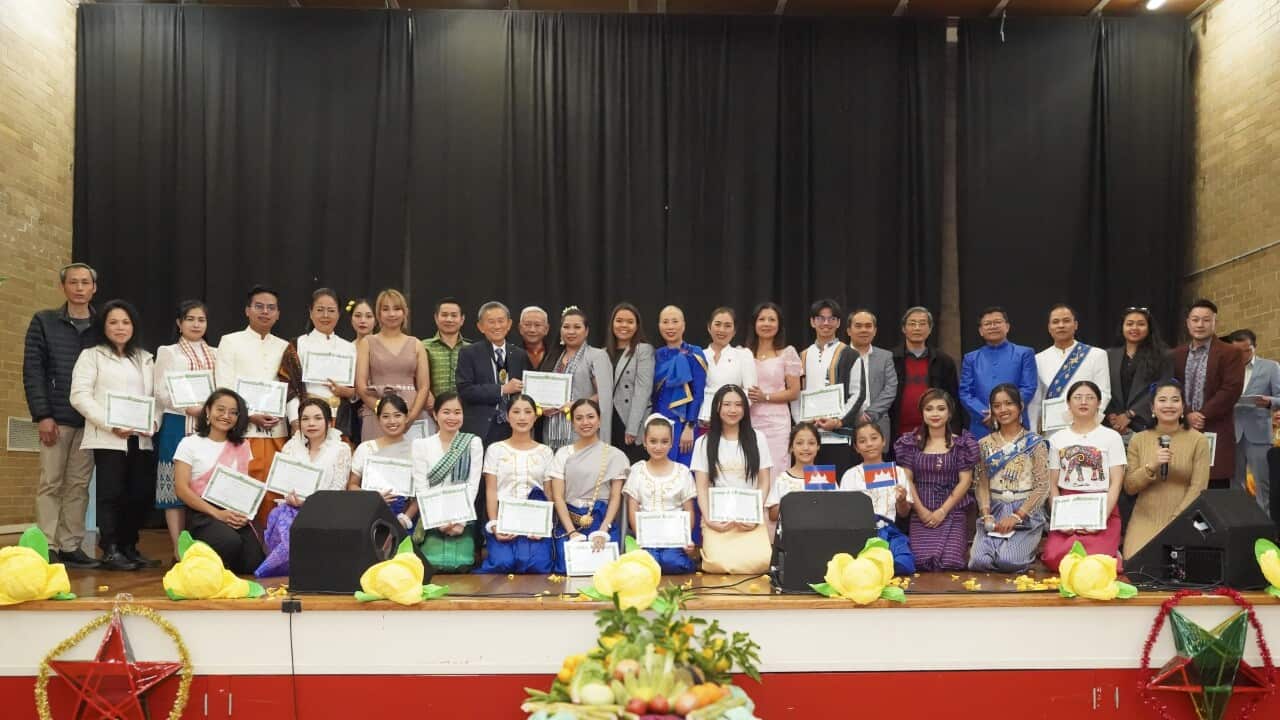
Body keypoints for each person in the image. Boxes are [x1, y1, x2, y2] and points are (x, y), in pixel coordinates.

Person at [22, 262, 101, 568]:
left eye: (85, 283)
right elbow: (33, 370)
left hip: (91, 421)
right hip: (55, 417)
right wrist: (42, 414)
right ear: (63, 287)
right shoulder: (44, 321)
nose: (80, 288)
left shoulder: (102, 325)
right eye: (73, 282)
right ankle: (47, 544)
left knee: (79, 485)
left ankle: (71, 545)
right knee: (51, 482)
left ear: (94, 288)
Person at [69, 299, 157, 571]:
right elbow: (79, 396)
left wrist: (152, 422)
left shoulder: (145, 358)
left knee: (139, 493)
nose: (120, 328)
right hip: (109, 437)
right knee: (112, 493)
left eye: (126, 322)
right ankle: (111, 548)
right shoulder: (92, 355)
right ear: (103, 326)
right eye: (113, 322)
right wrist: (110, 423)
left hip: (140, 437)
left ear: (134, 326)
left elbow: (157, 398)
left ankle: (130, 546)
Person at [214, 285, 290, 525]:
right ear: (248, 310)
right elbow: (224, 386)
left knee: (275, 488)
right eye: (259, 306)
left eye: (271, 308)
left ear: (278, 314)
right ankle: (245, 545)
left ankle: (273, 545)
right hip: (243, 429)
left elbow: (290, 387)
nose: (265, 312)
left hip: (277, 430)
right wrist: (250, 415)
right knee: (242, 487)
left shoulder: (285, 346)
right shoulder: (230, 341)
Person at [255, 397, 352, 577]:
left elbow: (338, 489)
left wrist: (308, 505)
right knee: (284, 523)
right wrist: (290, 498)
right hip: (292, 508)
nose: (311, 423)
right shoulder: (291, 447)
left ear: (328, 422)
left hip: (326, 510)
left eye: (317, 418)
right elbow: (283, 484)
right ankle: (289, 576)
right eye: (305, 419)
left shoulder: (341, 449)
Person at [152, 300, 218, 561]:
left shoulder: (216, 352)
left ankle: (207, 549)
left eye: (201, 319)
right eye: (190, 319)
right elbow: (160, 391)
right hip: (177, 423)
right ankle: (180, 552)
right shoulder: (168, 352)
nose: (196, 324)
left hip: (210, 428)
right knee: (174, 487)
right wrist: (187, 407)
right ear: (179, 323)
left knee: (206, 484)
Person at [173, 390, 264, 574]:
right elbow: (181, 489)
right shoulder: (189, 443)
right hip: (203, 513)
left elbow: (244, 488)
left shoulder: (242, 446)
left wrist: (241, 515)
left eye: (233, 412)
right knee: (229, 542)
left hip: (233, 512)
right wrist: (217, 513)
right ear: (208, 411)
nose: (226, 416)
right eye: (220, 409)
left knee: (254, 562)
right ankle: (197, 563)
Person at [1042, 381, 1127, 570]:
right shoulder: (1057, 439)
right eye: (1077, 397)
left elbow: (1116, 482)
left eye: (1090, 398)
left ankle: (1113, 552)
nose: (1083, 402)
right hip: (1068, 503)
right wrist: (1060, 520)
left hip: (1101, 504)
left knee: (1093, 562)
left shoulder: (1111, 437)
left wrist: (1101, 518)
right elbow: (1052, 484)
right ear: (1068, 403)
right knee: (1055, 559)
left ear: (1098, 403)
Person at [1123, 381, 1211, 558]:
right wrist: (1151, 466)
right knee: (1136, 567)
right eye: (1162, 400)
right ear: (1152, 408)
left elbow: (1199, 487)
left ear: (1183, 406)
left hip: (1184, 517)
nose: (1169, 405)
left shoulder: (1198, 440)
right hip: (1145, 517)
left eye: (1175, 400)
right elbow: (1130, 487)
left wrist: (1177, 518)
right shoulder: (1138, 439)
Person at [968, 384, 1049, 573]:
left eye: (1008, 403)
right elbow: (981, 482)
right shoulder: (984, 444)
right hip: (994, 510)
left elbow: (1042, 486)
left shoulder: (1035, 443)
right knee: (978, 562)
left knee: (1008, 561)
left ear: (1020, 406)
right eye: (997, 406)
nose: (1003, 409)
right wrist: (986, 512)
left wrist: (1017, 515)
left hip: (1024, 512)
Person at [692, 385, 773, 574]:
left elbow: (764, 481)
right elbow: (701, 486)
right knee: (717, 563)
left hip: (749, 519)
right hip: (718, 518)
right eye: (727, 404)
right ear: (717, 408)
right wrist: (709, 519)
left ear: (745, 409)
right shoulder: (703, 442)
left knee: (761, 562)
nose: (732, 410)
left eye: (738, 405)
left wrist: (755, 515)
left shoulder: (757, 438)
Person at [894, 389, 977, 571]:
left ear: (949, 413)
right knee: (920, 562)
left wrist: (942, 511)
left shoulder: (963, 444)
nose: (935, 414)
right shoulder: (910, 443)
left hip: (952, 510)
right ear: (922, 413)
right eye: (929, 409)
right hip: (920, 508)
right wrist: (921, 510)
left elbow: (965, 481)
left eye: (941, 409)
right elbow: (907, 479)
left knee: (951, 562)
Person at [547, 399, 630, 573]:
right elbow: (558, 497)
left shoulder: (615, 455)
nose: (585, 422)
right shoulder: (563, 454)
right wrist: (571, 532)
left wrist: (603, 529)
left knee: (605, 569)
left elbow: (615, 497)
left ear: (599, 420)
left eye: (590, 417)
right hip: (568, 521)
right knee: (565, 567)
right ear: (572, 423)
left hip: (601, 519)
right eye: (579, 418)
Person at [476, 394, 555, 574]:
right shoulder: (495, 450)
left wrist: (544, 525)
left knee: (538, 565)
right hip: (504, 519)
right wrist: (495, 524)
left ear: (535, 417)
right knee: (503, 563)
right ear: (508, 416)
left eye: (528, 412)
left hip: (535, 523)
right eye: (516, 412)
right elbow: (491, 490)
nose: (522, 417)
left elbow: (549, 492)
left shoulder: (545, 452)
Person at [1171, 299, 1245, 487]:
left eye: (1206, 320)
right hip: (1181, 429)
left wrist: (1201, 415)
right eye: (1195, 320)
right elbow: (1172, 387)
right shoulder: (1176, 355)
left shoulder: (1231, 353)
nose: (1200, 324)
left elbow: (1231, 389)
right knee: (1180, 485)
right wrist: (1186, 414)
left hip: (1215, 429)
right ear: (1188, 323)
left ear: (1215, 323)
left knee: (1214, 489)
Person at [410, 391, 483, 572]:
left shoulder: (472, 443)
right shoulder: (421, 445)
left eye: (457, 412)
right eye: (446, 412)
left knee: (462, 564)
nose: (452, 417)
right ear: (435, 414)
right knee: (430, 564)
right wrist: (438, 521)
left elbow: (473, 485)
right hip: (433, 518)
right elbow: (421, 487)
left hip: (462, 519)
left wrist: (460, 521)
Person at [839, 421, 916, 575]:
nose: (869, 444)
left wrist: (901, 500)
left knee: (905, 564)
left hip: (890, 531)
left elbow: (903, 513)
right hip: (862, 533)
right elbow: (844, 514)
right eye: (862, 441)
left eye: (874, 438)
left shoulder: (898, 472)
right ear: (856, 448)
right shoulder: (850, 475)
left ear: (883, 441)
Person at [624, 415, 699, 573]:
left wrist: (686, 538)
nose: (658, 447)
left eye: (664, 442)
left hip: (674, 539)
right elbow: (633, 508)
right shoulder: (637, 470)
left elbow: (689, 510)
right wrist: (641, 538)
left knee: (673, 562)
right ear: (645, 442)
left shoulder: (682, 472)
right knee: (646, 563)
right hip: (647, 539)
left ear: (671, 443)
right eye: (653, 441)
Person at [356, 289, 431, 440]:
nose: (391, 314)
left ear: (405, 312)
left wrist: (410, 416)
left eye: (397, 309)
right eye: (385, 309)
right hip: (376, 411)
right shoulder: (367, 343)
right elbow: (361, 386)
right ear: (378, 314)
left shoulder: (416, 344)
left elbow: (424, 386)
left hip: (411, 411)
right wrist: (382, 410)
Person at [280, 289, 357, 433]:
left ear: (339, 314)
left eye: (331, 310)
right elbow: (288, 384)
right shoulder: (297, 345)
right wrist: (295, 420)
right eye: (320, 310)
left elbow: (357, 389)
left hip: (340, 419)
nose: (325, 316)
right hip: (308, 419)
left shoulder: (349, 348)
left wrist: (347, 392)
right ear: (310, 312)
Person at [1030, 304, 1112, 437]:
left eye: (1066, 321)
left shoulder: (1096, 355)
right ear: (1049, 328)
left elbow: (1104, 392)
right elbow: (1036, 400)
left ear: (1076, 325)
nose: (1061, 325)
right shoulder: (1038, 359)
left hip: (1086, 427)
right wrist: (1034, 432)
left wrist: (1090, 421)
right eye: (1056, 322)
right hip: (1052, 430)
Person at [456, 301, 530, 446]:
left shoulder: (519, 354)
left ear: (509, 324)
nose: (497, 326)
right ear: (480, 327)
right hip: (481, 427)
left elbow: (527, 389)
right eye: (491, 322)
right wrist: (502, 389)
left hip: (512, 426)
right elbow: (465, 390)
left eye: (501, 321)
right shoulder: (469, 353)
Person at [543, 307, 615, 453]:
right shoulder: (553, 357)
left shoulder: (597, 356)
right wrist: (543, 406)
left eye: (577, 327)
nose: (571, 331)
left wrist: (576, 405)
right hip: (551, 431)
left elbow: (604, 394)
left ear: (586, 331)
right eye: (566, 327)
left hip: (582, 430)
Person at [959, 306, 1037, 438]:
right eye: (988, 324)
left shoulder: (1025, 353)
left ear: (1007, 326)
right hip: (982, 425)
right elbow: (965, 392)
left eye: (997, 322)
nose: (993, 326)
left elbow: (1028, 387)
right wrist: (987, 413)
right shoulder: (971, 358)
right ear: (980, 331)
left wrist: (1006, 410)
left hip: (1016, 423)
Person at [1226, 329, 1280, 515]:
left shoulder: (1271, 367)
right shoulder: (1226, 368)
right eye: (1236, 352)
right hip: (1232, 432)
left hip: (1258, 432)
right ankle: (1240, 524)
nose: (1241, 355)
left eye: (1246, 350)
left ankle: (1265, 529)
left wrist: (1269, 401)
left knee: (1261, 484)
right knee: (1235, 484)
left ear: (1255, 347)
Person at [795, 300, 852, 472]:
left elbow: (859, 394)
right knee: (810, 488)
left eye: (832, 318)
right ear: (812, 322)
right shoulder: (802, 356)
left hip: (838, 436)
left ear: (839, 322)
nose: (826, 323)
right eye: (820, 318)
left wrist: (837, 421)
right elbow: (795, 393)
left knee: (837, 489)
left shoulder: (849, 354)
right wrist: (802, 422)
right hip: (808, 436)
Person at [890, 306, 963, 441]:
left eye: (922, 324)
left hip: (935, 435)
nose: (917, 328)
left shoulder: (944, 361)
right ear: (903, 329)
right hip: (897, 434)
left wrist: (954, 432)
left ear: (930, 329)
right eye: (912, 324)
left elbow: (953, 400)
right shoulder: (890, 359)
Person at [347, 394, 418, 530]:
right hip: (368, 515)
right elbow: (352, 486)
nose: (392, 421)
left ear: (406, 417)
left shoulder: (416, 450)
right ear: (378, 419)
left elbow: (421, 492)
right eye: (385, 416)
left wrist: (405, 519)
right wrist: (373, 497)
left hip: (404, 519)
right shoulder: (366, 448)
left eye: (397, 415)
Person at [835, 309, 898, 461]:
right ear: (849, 330)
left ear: (875, 331)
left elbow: (891, 388)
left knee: (876, 477)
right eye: (858, 326)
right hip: (844, 424)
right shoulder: (838, 355)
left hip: (877, 422)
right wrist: (850, 415)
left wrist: (870, 414)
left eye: (868, 326)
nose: (864, 329)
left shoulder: (885, 356)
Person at [745, 302, 801, 473]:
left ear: (779, 325)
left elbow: (794, 391)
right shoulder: (743, 353)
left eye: (772, 319)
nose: (766, 324)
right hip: (748, 420)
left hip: (777, 423)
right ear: (754, 324)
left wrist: (765, 397)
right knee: (751, 468)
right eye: (762, 319)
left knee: (776, 468)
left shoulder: (787, 353)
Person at [1104, 307, 1172, 442]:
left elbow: (1163, 388)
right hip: (1112, 427)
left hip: (1146, 424)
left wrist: (1129, 415)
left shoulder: (1163, 356)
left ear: (1149, 328)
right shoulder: (1108, 355)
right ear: (1122, 327)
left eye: (1141, 324)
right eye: (1129, 324)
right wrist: (1111, 415)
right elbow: (1103, 387)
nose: (1134, 328)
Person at [652, 306, 708, 466]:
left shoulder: (694, 353)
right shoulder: (656, 355)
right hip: (658, 423)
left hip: (684, 426)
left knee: (684, 471)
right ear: (659, 326)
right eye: (665, 322)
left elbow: (698, 393)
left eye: (675, 322)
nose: (670, 327)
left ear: (683, 325)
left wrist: (690, 426)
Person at [606, 302, 654, 463]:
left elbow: (643, 391)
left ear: (637, 325)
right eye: (619, 320)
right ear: (612, 323)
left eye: (630, 321)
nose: (624, 325)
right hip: (607, 421)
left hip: (630, 420)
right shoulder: (603, 352)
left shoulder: (643, 350)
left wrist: (632, 428)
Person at [704, 307, 758, 425]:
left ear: (734, 331)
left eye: (728, 326)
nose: (722, 330)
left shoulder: (743, 355)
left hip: (733, 421)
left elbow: (751, 393)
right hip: (703, 421)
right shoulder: (699, 355)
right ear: (709, 327)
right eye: (717, 324)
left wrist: (731, 412)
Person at [422, 297, 471, 415]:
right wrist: (434, 409)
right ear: (436, 318)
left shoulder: (471, 349)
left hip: (466, 414)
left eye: (454, 315)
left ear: (462, 319)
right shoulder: (423, 346)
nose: (449, 319)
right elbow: (419, 382)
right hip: (431, 413)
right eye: (444, 315)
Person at [341, 298, 377, 442]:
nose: (363, 321)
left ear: (376, 319)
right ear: (351, 319)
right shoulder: (345, 348)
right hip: (350, 410)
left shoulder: (381, 347)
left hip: (377, 405)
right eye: (358, 316)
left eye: (368, 316)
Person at [519, 306, 557, 372]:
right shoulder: (511, 354)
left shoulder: (557, 354)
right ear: (520, 328)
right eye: (527, 325)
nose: (532, 330)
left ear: (546, 329)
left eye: (537, 325)